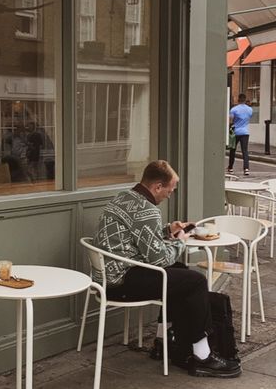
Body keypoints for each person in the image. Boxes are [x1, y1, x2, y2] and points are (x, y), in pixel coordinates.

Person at [93, 159, 241, 377]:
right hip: (122, 281)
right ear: (157, 187)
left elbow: (139, 234)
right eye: (169, 190)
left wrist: (167, 230)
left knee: (180, 273)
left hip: (110, 275)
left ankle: (165, 342)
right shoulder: (147, 210)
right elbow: (159, 260)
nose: (169, 195)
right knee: (195, 281)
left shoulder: (124, 197)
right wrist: (181, 240)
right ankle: (202, 356)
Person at [228, 93, 254, 175]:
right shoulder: (250, 109)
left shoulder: (234, 110)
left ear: (238, 99)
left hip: (235, 132)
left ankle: (231, 167)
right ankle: (246, 169)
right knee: (245, 151)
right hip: (245, 132)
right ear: (245, 100)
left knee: (233, 150)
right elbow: (248, 118)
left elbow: (231, 121)